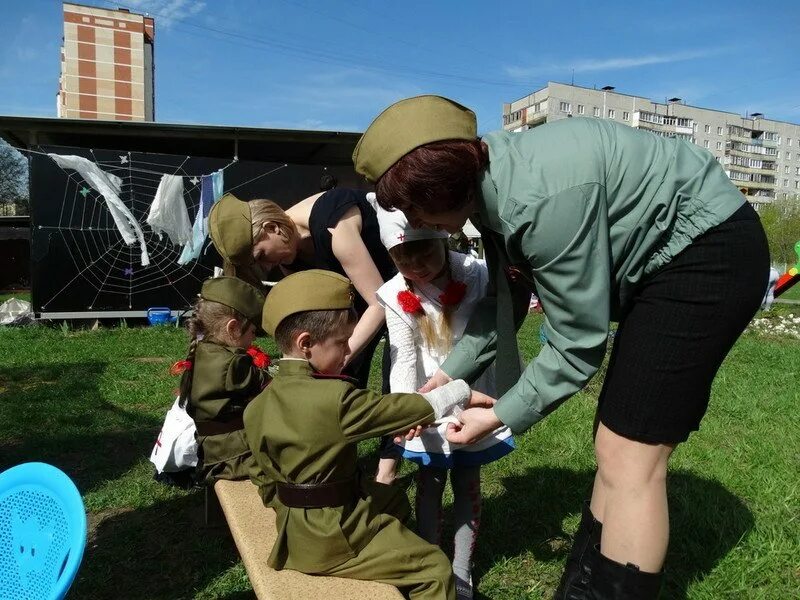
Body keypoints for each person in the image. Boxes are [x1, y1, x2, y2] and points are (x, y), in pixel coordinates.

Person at [353, 95, 770, 599]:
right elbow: (503, 299)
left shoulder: (536, 201)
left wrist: (501, 413)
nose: (417, 222)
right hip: (661, 263)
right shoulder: (489, 187)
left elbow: (577, 345)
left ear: (443, 181)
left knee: (631, 458)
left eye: (416, 206)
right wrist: (449, 376)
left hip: (705, 254)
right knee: (612, 443)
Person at [243, 269, 496, 600]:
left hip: (295, 524)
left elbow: (260, 474)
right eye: (340, 341)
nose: (348, 349)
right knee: (434, 569)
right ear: (306, 343)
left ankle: (393, 573)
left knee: (391, 498)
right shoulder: (333, 399)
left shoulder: (259, 404)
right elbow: (400, 409)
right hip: (331, 536)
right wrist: (462, 391)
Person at [372, 202, 514, 599]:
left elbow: (493, 333)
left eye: (425, 254)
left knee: (468, 479)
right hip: (426, 400)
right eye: (403, 258)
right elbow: (402, 359)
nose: (416, 267)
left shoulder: (476, 274)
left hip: (474, 397)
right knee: (430, 481)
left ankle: (462, 567)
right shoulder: (395, 293)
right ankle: (432, 562)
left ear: (444, 238)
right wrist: (407, 410)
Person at [208, 187, 395, 388]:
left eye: (261, 256)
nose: (268, 266)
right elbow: (315, 316)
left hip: (405, 293)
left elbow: (379, 303)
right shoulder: (289, 257)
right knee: (335, 384)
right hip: (362, 306)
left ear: (271, 228)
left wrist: (340, 358)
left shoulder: (332, 225)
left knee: (396, 382)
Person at [175, 276, 270, 485]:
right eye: (252, 333)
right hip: (236, 456)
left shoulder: (202, 350)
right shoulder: (234, 363)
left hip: (211, 450)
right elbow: (271, 388)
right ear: (233, 328)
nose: (252, 340)